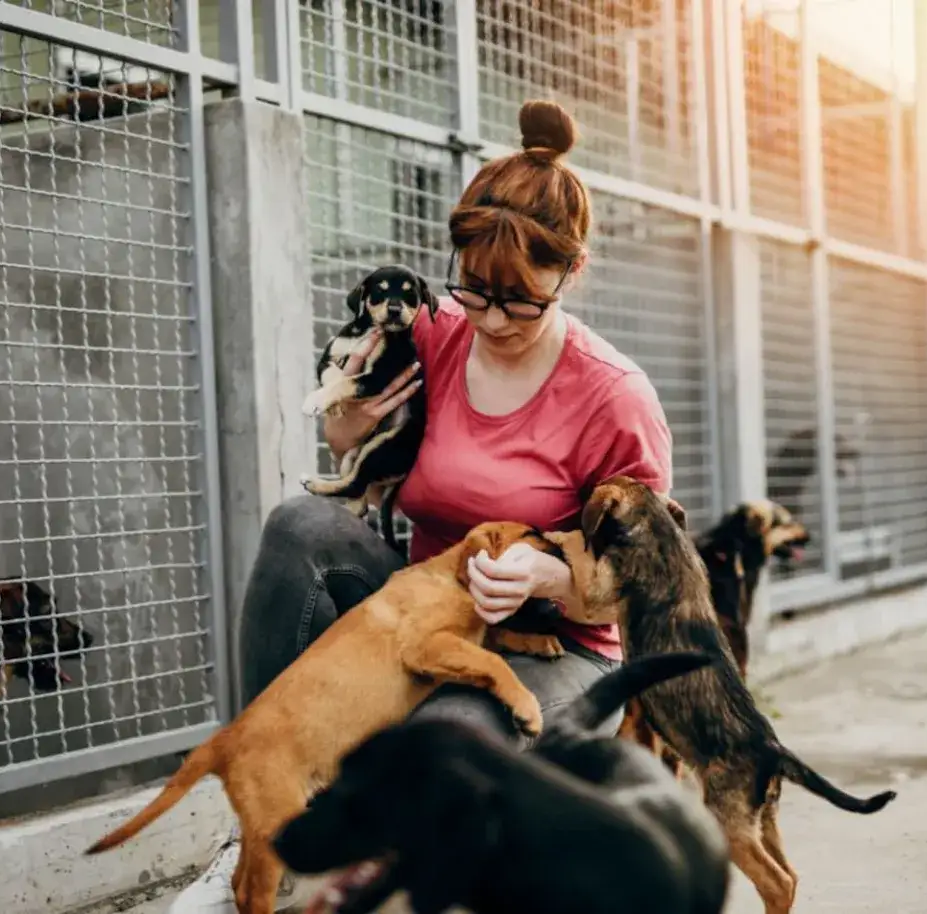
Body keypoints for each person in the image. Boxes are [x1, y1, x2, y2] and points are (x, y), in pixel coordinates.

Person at [167, 98, 673, 912]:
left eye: (522, 301)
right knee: (302, 526)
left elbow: (648, 574)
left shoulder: (614, 397)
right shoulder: (434, 331)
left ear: (571, 273)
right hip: (421, 602)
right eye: (473, 292)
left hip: (553, 648)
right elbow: (350, 436)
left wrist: (546, 574)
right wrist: (348, 426)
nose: (493, 319)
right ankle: (263, 835)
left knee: (432, 756)